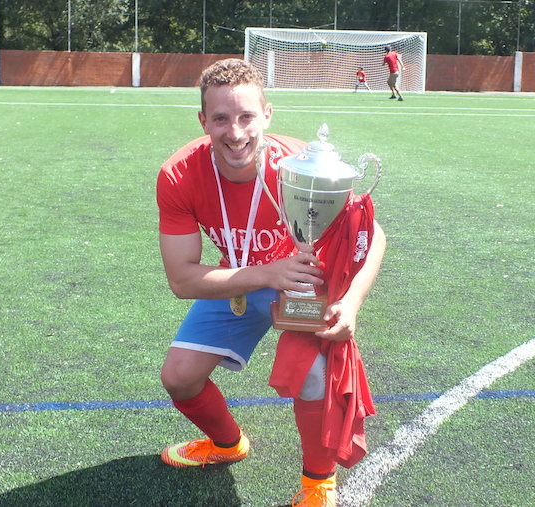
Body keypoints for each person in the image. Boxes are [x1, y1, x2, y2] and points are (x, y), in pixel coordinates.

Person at [155, 58, 386, 507]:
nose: (235, 132)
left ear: (267, 115)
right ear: (204, 120)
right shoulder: (180, 174)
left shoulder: (305, 166)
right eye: (220, 119)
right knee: (179, 378)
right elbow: (182, 279)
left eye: (246, 117)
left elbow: (372, 235)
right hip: (239, 278)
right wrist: (264, 274)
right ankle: (228, 444)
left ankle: (318, 487)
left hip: (300, 286)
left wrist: (352, 303)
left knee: (315, 376)